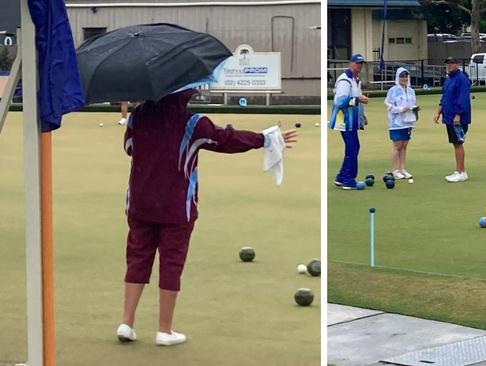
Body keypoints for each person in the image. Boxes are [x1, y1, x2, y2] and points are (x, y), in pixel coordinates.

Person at [116, 89, 297, 346]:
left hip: (140, 201)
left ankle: (126, 323)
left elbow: (129, 148)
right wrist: (265, 139)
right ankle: (164, 330)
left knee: (137, 259)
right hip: (176, 205)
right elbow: (226, 140)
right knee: (171, 263)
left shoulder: (138, 116)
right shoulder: (193, 123)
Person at [330, 53, 369, 190]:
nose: (359, 66)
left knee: (353, 147)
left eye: (361, 63)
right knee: (353, 147)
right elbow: (339, 101)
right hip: (344, 120)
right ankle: (348, 179)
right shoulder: (345, 80)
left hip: (351, 119)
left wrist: (362, 116)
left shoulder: (355, 79)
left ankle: (341, 177)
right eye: (357, 63)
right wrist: (358, 100)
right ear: (351, 64)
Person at [434, 57, 471, 183]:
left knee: (458, 143)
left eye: (451, 64)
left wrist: (458, 115)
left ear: (457, 65)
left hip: (458, 118)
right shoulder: (449, 79)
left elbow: (463, 98)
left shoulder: (462, 79)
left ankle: (460, 172)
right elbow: (445, 96)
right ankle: (461, 171)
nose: (448, 66)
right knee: (455, 143)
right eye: (447, 64)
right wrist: (439, 111)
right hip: (449, 116)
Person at [384, 67, 418, 179]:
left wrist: (415, 109)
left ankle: (403, 169)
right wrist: (400, 109)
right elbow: (389, 105)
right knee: (397, 146)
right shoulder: (393, 90)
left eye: (406, 76)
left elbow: (412, 104)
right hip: (396, 123)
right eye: (402, 76)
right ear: (398, 78)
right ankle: (395, 170)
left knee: (404, 146)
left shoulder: (411, 91)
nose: (404, 78)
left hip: (408, 122)